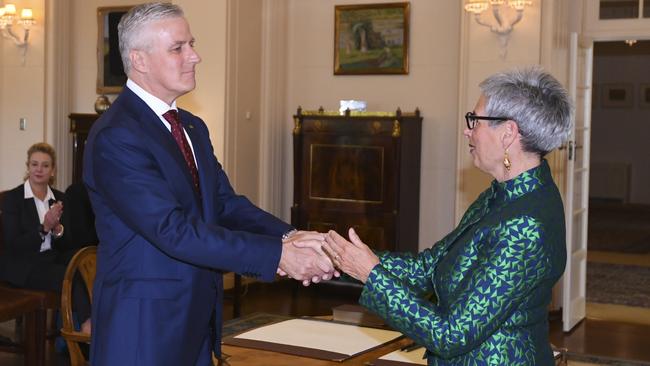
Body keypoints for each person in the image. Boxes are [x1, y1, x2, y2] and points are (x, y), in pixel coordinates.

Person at [82, 3, 335, 365]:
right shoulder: (116, 135)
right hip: (144, 327)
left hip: (197, 318)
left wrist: (288, 236)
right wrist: (280, 257)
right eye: (178, 48)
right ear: (139, 59)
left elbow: (224, 204)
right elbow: (173, 231)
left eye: (192, 44)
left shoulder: (191, 126)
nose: (195, 56)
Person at [322, 67, 572, 365]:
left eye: (475, 120)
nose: (468, 130)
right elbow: (430, 267)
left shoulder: (525, 223)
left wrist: (371, 275)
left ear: (508, 133)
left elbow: (451, 334)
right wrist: (345, 256)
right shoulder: (503, 195)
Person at [0, 142, 91, 333]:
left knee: (83, 262)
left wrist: (57, 229)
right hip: (22, 264)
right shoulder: (13, 199)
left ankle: (78, 329)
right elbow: (13, 245)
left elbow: (67, 244)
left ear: (53, 170)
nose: (39, 169)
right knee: (69, 277)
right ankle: (86, 325)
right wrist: (43, 228)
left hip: (49, 258)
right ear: (28, 167)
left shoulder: (60, 198)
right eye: (34, 164)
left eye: (45, 165)